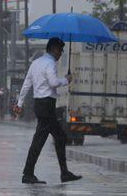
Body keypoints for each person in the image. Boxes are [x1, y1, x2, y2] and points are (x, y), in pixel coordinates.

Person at [14, 37, 82, 184]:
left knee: (60, 137)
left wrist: (20, 102)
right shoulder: (50, 63)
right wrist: (66, 80)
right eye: (61, 51)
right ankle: (28, 173)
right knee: (40, 140)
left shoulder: (36, 63)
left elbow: (27, 84)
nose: (61, 54)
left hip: (39, 104)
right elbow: (53, 82)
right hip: (47, 105)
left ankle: (64, 173)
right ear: (55, 49)